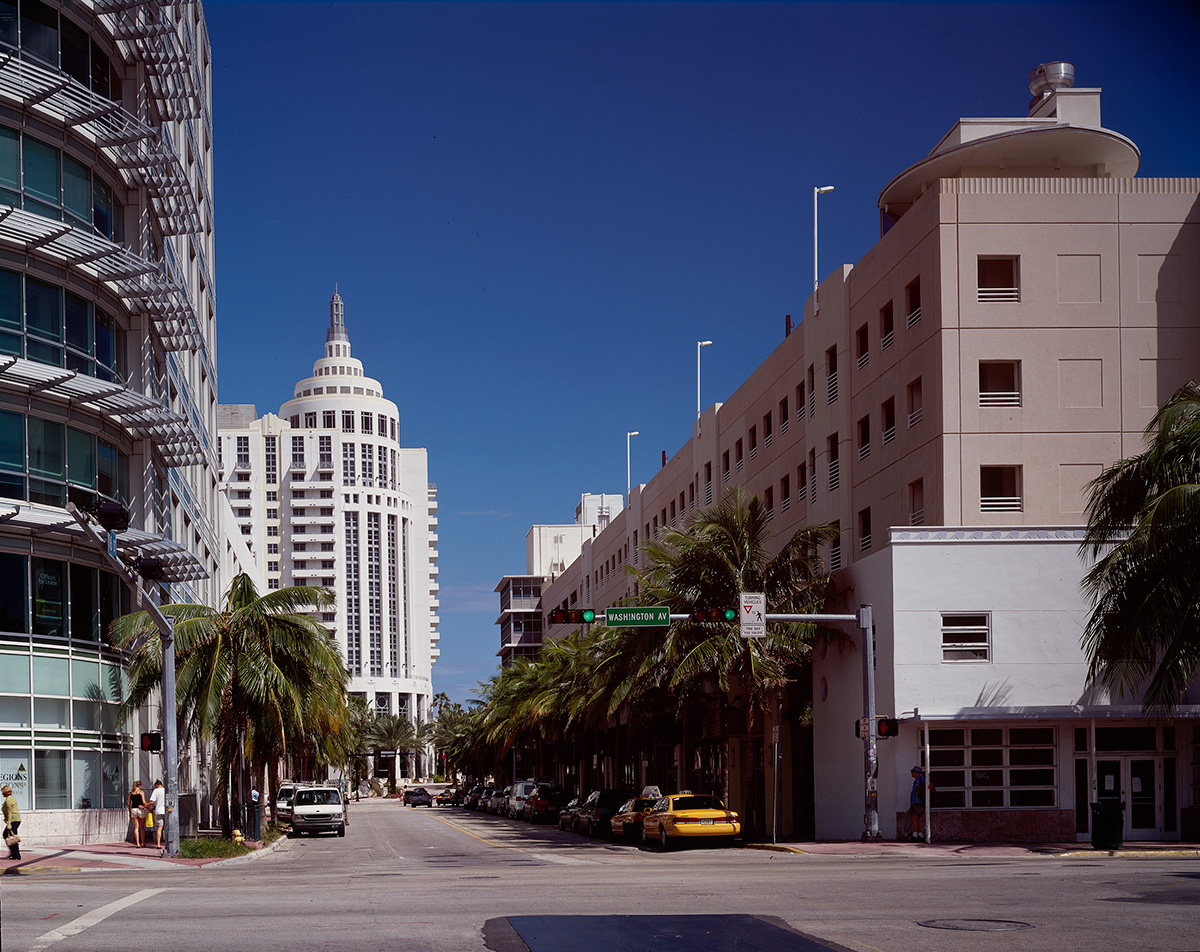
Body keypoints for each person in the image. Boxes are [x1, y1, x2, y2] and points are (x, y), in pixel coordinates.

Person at [909, 766, 928, 841]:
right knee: (918, 818)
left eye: (913, 772)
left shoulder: (921, 779)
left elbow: (927, 784)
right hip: (915, 802)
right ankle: (919, 834)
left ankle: (915, 834)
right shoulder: (916, 780)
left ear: (916, 773)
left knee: (914, 818)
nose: (912, 774)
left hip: (919, 802)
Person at [2, 784, 20, 860]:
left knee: (9, 836)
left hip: (13, 820)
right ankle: (14, 854)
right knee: (11, 837)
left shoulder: (8, 800)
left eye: (3, 792)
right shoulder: (11, 799)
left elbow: (10, 812)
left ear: (5, 793)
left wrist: (9, 823)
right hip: (16, 819)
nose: (2, 794)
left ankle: (16, 855)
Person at [128, 780, 147, 847]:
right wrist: (147, 807)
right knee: (142, 827)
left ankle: (138, 843)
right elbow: (144, 802)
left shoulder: (131, 793)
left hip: (133, 809)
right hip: (140, 809)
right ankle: (142, 842)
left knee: (136, 827)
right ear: (139, 786)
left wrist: (130, 812)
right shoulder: (141, 792)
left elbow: (128, 803)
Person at [148, 779, 166, 849]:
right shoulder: (166, 790)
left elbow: (152, 801)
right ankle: (166, 843)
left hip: (159, 811)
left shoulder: (156, 791)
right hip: (167, 811)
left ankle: (158, 844)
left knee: (159, 828)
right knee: (167, 828)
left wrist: (145, 806)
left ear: (156, 785)